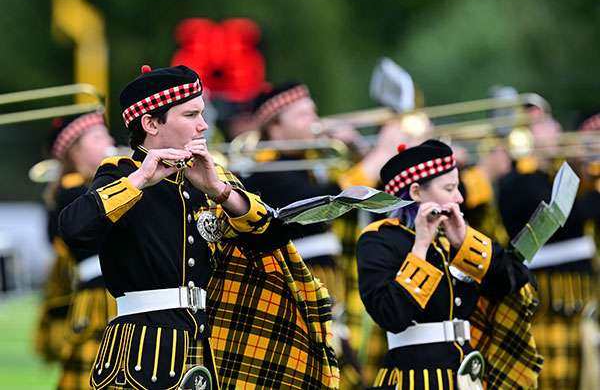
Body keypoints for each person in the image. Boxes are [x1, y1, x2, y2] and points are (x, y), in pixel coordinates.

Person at [59, 65, 338, 390]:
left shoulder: (209, 174)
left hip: (208, 343)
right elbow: (73, 229)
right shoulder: (121, 173)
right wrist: (139, 181)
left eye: (202, 113)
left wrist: (220, 192)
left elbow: (275, 236)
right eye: (190, 114)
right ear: (150, 123)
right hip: (142, 351)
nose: (204, 125)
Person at [242, 81, 405, 389]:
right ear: (274, 127)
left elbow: (379, 203)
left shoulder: (312, 164)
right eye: (303, 115)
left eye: (313, 112)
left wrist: (359, 150)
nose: (315, 121)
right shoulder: (265, 172)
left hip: (331, 309)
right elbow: (332, 201)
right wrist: (381, 151)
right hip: (296, 311)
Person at [357, 139, 541, 389]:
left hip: (467, 373)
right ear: (416, 193)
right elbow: (392, 315)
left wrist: (465, 243)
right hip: (414, 378)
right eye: (450, 188)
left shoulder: (453, 235)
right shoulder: (379, 239)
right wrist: (420, 247)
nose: (460, 197)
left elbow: (515, 281)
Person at [498, 112, 600, 390]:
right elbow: (570, 215)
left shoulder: (551, 174)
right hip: (547, 297)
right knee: (552, 381)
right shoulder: (517, 181)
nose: (558, 127)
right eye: (547, 123)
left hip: (576, 296)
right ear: (526, 134)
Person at [33, 111, 118, 390]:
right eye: (97, 136)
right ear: (74, 151)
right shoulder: (73, 191)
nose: (109, 140)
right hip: (100, 296)